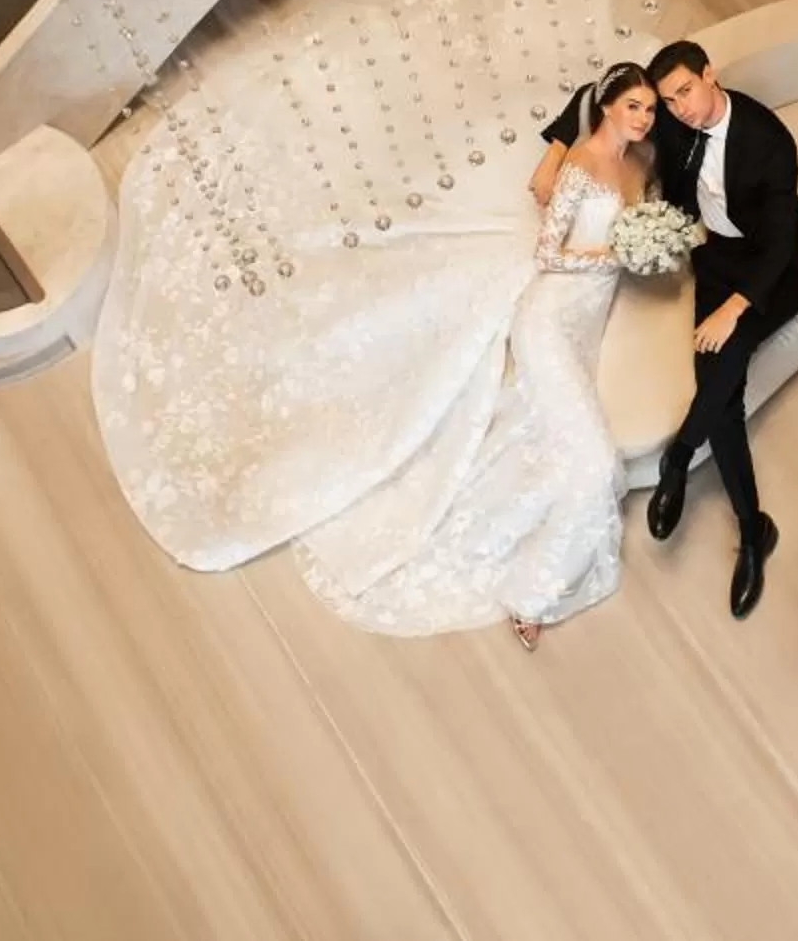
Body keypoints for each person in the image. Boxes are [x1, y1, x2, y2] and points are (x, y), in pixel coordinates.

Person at [96, 33, 655, 650]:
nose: (644, 118)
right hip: (551, 317)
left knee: (542, 439)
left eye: (650, 109)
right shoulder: (578, 164)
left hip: (585, 321)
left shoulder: (640, 162)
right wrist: (618, 251)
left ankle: (520, 555)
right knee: (594, 462)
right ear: (606, 106)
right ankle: (535, 592)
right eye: (635, 106)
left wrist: (651, 242)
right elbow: (548, 251)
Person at [537, 40, 798, 616]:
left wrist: (735, 306)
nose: (680, 108)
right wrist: (556, 155)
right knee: (723, 387)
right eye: (669, 100)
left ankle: (679, 459)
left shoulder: (768, 142)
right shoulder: (667, 120)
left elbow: (783, 242)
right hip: (714, 260)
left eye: (687, 91)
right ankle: (753, 527)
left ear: (710, 75)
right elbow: (600, 97)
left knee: (727, 361)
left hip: (772, 270)